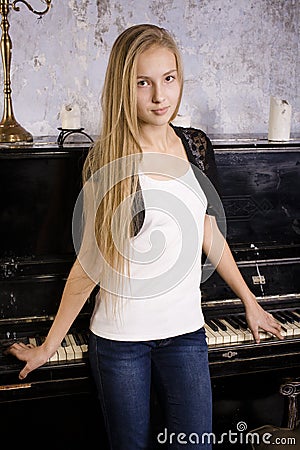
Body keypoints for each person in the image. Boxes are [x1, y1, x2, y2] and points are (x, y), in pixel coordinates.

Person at [7, 24, 283, 450]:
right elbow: (88, 266)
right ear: (123, 86)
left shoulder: (194, 147)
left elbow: (209, 231)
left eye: (168, 78)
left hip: (187, 334)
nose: (159, 96)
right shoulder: (109, 160)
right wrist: (48, 345)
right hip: (120, 343)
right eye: (143, 82)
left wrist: (251, 301)